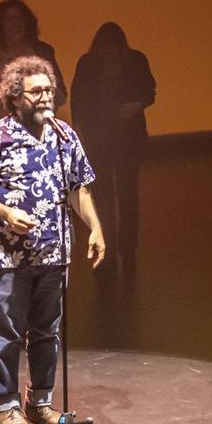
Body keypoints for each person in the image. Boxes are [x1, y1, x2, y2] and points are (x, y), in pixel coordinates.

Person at [0, 56, 105, 424]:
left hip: (55, 252)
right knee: (6, 333)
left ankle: (39, 402)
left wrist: (95, 228)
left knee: (46, 331)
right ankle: (4, 405)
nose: (45, 97)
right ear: (14, 96)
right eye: (36, 91)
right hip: (9, 255)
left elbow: (78, 187)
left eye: (49, 90)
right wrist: (5, 213)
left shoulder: (64, 136)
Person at [71, 23, 156, 278]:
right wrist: (81, 132)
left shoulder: (134, 61)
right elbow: (78, 101)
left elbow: (149, 92)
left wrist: (136, 105)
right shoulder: (89, 64)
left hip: (128, 137)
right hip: (100, 137)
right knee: (105, 194)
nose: (108, 53)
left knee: (125, 192)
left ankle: (125, 246)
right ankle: (111, 243)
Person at [0, 0, 65, 136]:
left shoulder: (43, 52)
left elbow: (61, 94)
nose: (15, 23)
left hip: (39, 130)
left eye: (18, 18)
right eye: (8, 19)